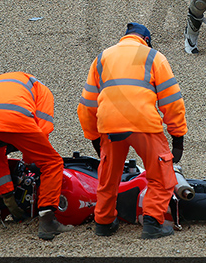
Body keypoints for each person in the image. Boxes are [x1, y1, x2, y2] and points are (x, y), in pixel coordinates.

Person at [78, 23, 188, 239]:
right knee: (161, 176)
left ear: (125, 37)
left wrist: (93, 136)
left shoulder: (102, 58)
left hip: (110, 126)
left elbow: (86, 105)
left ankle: (104, 222)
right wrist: (177, 138)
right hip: (143, 124)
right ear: (146, 39)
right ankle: (153, 223)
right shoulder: (154, 57)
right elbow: (172, 101)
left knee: (108, 178)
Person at [0, 72, 73, 240]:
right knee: (52, 162)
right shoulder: (43, 91)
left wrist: (8, 194)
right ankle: (47, 222)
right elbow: (43, 130)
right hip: (15, 117)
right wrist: (30, 161)